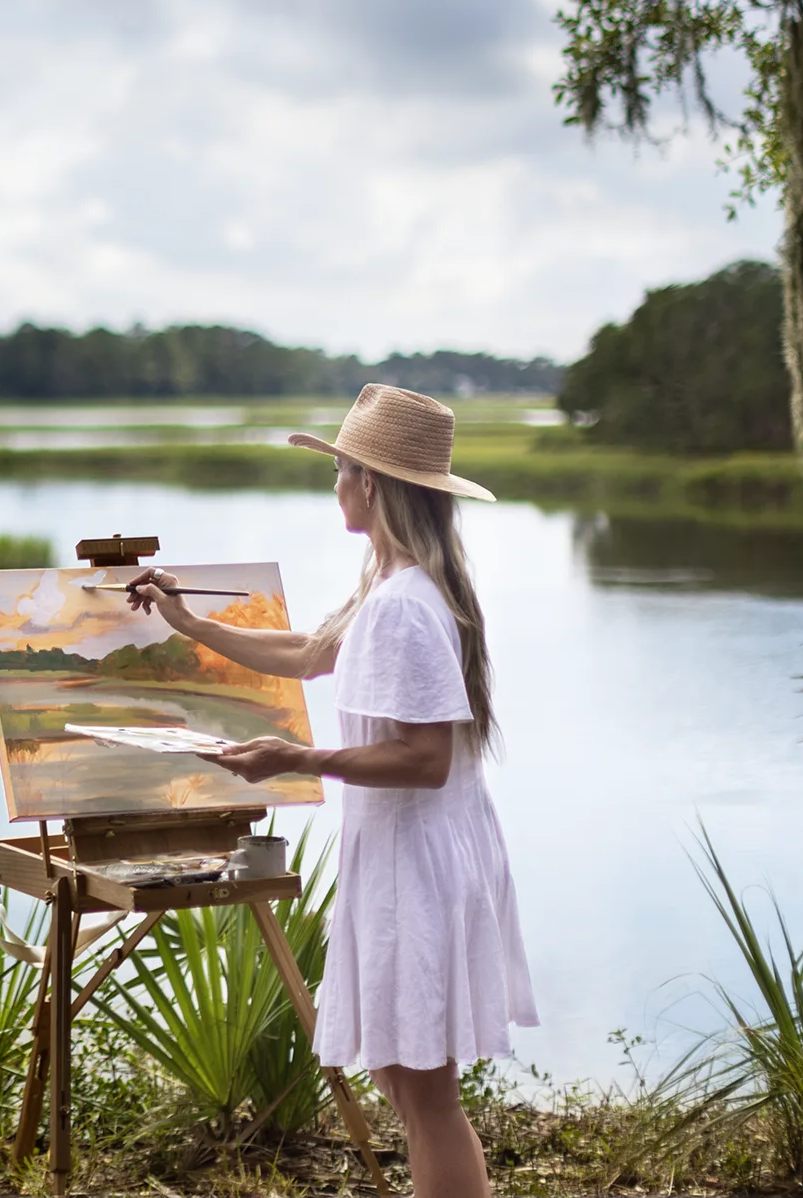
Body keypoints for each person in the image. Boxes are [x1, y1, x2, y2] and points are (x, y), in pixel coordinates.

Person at [124, 383, 535, 1198]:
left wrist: (294, 760)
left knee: (425, 1094)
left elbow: (425, 761)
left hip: (417, 861)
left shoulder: (404, 609)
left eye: (340, 471)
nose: (334, 486)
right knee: (402, 1077)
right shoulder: (395, 587)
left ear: (371, 483)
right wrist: (193, 625)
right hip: (415, 854)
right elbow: (311, 652)